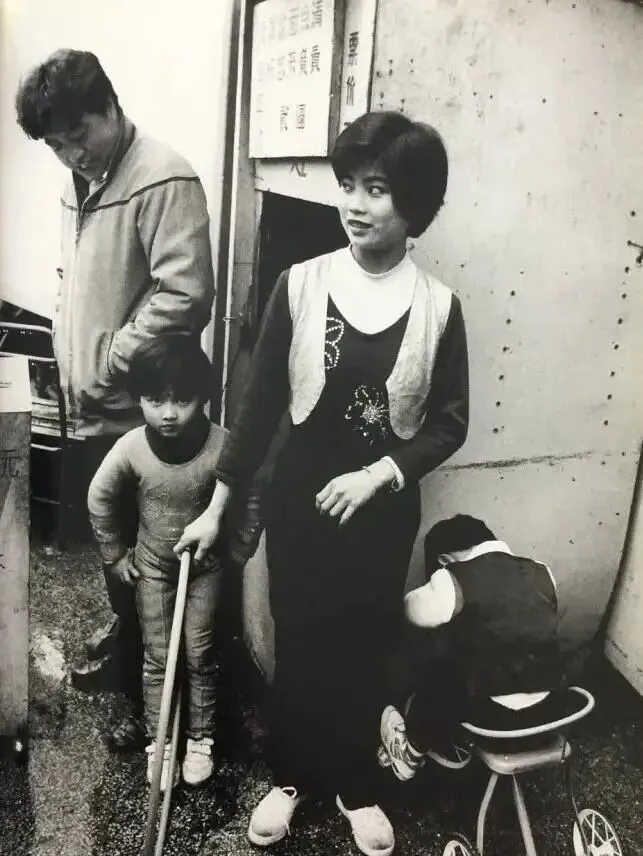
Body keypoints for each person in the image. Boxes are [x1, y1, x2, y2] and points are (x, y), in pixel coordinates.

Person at [175, 111, 469, 856]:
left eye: (376, 189)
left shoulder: (439, 308)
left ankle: (355, 787)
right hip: (300, 503)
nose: (354, 204)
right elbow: (256, 410)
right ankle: (290, 778)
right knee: (300, 640)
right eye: (348, 185)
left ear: (415, 205)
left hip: (381, 514)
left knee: (364, 643)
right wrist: (217, 506)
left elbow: (449, 423)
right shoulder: (300, 285)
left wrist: (380, 474)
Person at [15, 49, 215, 750]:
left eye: (80, 135)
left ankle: (151, 696)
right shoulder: (79, 181)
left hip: (139, 418)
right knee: (114, 553)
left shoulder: (164, 177)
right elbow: (74, 281)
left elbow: (185, 294)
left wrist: (110, 358)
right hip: (88, 407)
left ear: (111, 106)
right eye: (56, 145)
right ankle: (129, 649)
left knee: (147, 564)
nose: (72, 154)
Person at [87, 336, 227, 790]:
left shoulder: (221, 445)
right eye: (155, 400)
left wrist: (241, 547)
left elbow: (249, 494)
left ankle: (200, 739)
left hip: (205, 568)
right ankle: (160, 741)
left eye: (182, 400)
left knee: (201, 652)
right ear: (138, 399)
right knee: (159, 655)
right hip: (153, 568)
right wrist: (114, 554)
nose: (168, 413)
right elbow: (99, 497)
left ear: (203, 398)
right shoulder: (131, 448)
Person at [378, 515, 570, 782]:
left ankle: (411, 750)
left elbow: (412, 611)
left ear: (444, 558)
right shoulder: (541, 571)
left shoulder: (451, 578)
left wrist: (438, 588)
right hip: (550, 718)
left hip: (492, 725)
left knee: (438, 659)